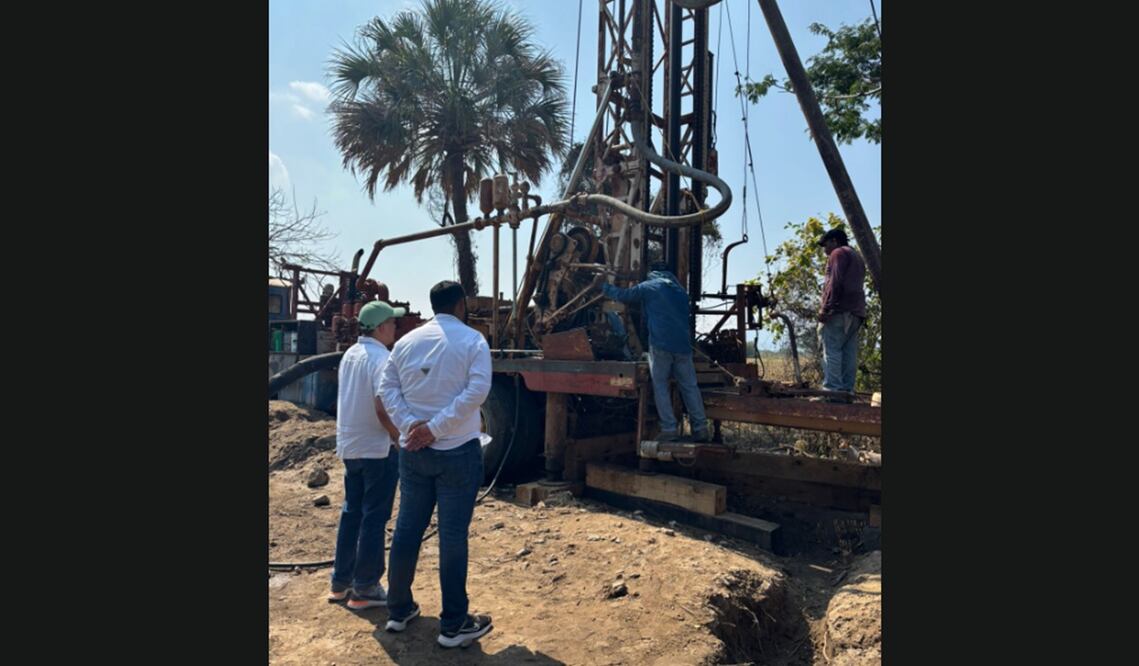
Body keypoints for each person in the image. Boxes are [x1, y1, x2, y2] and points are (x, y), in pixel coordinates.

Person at [379, 280, 494, 648]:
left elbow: (387, 389)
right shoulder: (473, 341)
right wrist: (434, 428)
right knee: (452, 536)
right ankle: (454, 625)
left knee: (407, 529)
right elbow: (476, 391)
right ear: (461, 305)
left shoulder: (406, 342)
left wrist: (411, 425)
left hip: (414, 454)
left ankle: (397, 611)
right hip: (458, 451)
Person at [328, 300, 406, 609]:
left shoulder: (351, 354)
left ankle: (340, 582)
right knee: (375, 516)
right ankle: (366, 588)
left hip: (351, 446)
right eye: (393, 323)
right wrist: (397, 435)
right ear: (381, 327)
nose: (396, 328)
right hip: (377, 449)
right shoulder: (382, 358)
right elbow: (381, 405)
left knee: (352, 513)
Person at [601, 262, 709, 442]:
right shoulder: (681, 292)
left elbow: (624, 296)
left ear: (653, 272)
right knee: (689, 386)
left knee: (660, 385)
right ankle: (701, 428)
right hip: (683, 346)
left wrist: (603, 287)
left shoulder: (649, 286)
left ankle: (669, 429)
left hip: (661, 345)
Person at [816, 227, 867, 396]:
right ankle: (846, 391)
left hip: (839, 311)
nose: (825, 250)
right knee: (848, 352)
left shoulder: (838, 253)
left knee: (831, 349)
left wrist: (826, 308)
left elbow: (835, 282)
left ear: (834, 241)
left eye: (825, 245)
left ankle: (832, 391)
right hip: (856, 312)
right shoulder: (856, 256)